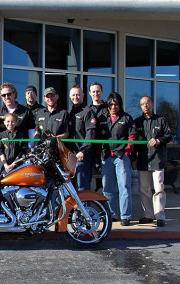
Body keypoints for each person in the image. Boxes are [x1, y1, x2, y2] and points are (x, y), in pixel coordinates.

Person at [97, 92, 136, 226]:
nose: (114, 107)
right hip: (106, 157)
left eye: (116, 104)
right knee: (108, 187)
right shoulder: (102, 118)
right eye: (111, 104)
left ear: (120, 105)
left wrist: (126, 152)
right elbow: (96, 137)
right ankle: (112, 214)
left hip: (121, 157)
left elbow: (132, 137)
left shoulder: (127, 118)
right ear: (107, 105)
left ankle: (125, 216)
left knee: (124, 186)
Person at [133, 96, 172, 227]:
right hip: (143, 160)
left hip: (157, 159)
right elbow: (134, 143)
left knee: (159, 189)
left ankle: (160, 216)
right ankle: (148, 215)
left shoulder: (161, 120)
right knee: (144, 189)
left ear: (152, 104)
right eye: (143, 104)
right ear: (141, 106)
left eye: (147, 103)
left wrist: (159, 140)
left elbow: (168, 135)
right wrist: (133, 158)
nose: (145, 106)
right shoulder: (137, 122)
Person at [67, 85, 96, 191]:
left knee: (82, 188)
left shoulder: (87, 112)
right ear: (70, 96)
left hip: (82, 157)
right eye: (73, 95)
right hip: (70, 157)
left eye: (78, 94)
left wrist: (83, 151)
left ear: (83, 95)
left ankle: (85, 208)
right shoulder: (70, 113)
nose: (76, 97)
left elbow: (91, 134)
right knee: (72, 188)